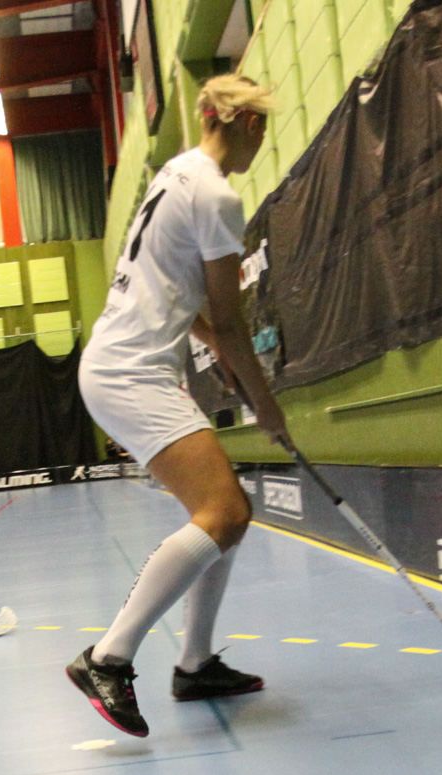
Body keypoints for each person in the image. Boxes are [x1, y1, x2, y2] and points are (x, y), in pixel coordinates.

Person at [66, 75, 290, 737]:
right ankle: (107, 659)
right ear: (250, 124)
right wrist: (266, 405)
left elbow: (175, 294)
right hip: (131, 373)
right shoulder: (218, 195)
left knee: (227, 512)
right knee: (225, 511)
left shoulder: (174, 173)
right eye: (263, 131)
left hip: (119, 364)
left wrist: (219, 351)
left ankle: (194, 664)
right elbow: (230, 320)